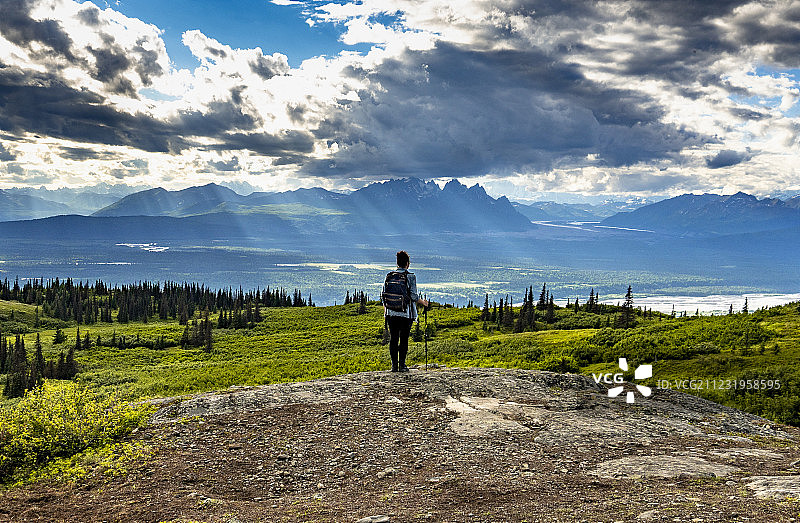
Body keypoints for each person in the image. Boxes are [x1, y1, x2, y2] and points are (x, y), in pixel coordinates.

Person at [383, 250, 429, 372]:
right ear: (407, 264)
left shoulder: (389, 276)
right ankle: (402, 365)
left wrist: (386, 311)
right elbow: (413, 296)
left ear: (397, 263)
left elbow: (385, 294)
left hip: (391, 312)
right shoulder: (410, 276)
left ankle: (394, 366)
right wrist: (423, 303)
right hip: (405, 313)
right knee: (403, 339)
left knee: (393, 338)